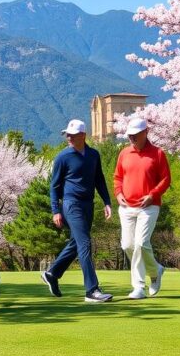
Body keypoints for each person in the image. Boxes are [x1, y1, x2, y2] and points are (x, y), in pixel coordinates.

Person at [40, 119, 114, 302]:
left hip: (88, 205)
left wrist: (106, 202)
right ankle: (92, 290)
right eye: (67, 135)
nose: (68, 138)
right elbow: (54, 186)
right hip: (71, 204)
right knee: (85, 244)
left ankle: (52, 273)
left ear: (83, 135)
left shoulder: (93, 155)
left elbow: (99, 180)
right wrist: (56, 210)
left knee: (76, 244)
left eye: (72, 135)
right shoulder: (63, 157)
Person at [113, 117, 171, 299]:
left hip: (149, 206)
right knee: (127, 245)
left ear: (146, 132)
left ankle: (138, 287)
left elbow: (166, 179)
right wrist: (118, 193)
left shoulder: (158, 153)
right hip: (126, 207)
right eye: (130, 135)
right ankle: (155, 270)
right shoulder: (124, 153)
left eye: (135, 135)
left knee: (140, 243)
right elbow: (118, 177)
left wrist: (152, 194)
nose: (132, 138)